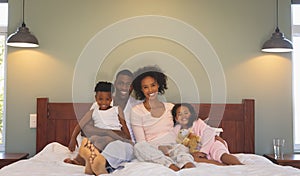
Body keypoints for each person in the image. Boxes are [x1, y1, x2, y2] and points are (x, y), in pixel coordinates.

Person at [130, 65, 196, 171]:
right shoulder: (136, 111)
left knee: (181, 148)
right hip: (153, 150)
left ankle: (189, 168)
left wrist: (212, 135)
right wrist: (160, 149)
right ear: (141, 89)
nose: (150, 90)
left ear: (158, 85)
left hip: (172, 145)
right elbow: (141, 141)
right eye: (145, 87)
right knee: (139, 147)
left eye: (153, 85)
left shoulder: (171, 107)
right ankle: (171, 166)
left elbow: (187, 127)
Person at [64, 81, 134, 175]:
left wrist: (129, 139)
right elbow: (80, 125)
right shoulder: (93, 112)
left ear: (111, 99)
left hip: (113, 137)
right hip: (99, 136)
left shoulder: (117, 109)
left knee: (104, 139)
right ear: (96, 98)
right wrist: (72, 139)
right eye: (100, 99)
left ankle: (89, 161)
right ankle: (81, 161)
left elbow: (124, 126)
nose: (104, 102)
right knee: (92, 139)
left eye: (107, 99)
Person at [171, 103, 243, 165]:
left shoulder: (198, 123)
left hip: (211, 144)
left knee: (221, 154)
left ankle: (240, 165)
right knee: (193, 158)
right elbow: (175, 144)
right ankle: (220, 165)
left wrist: (204, 151)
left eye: (186, 113)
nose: (183, 116)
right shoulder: (176, 130)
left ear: (191, 115)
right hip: (195, 152)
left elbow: (210, 133)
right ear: (176, 118)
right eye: (179, 114)